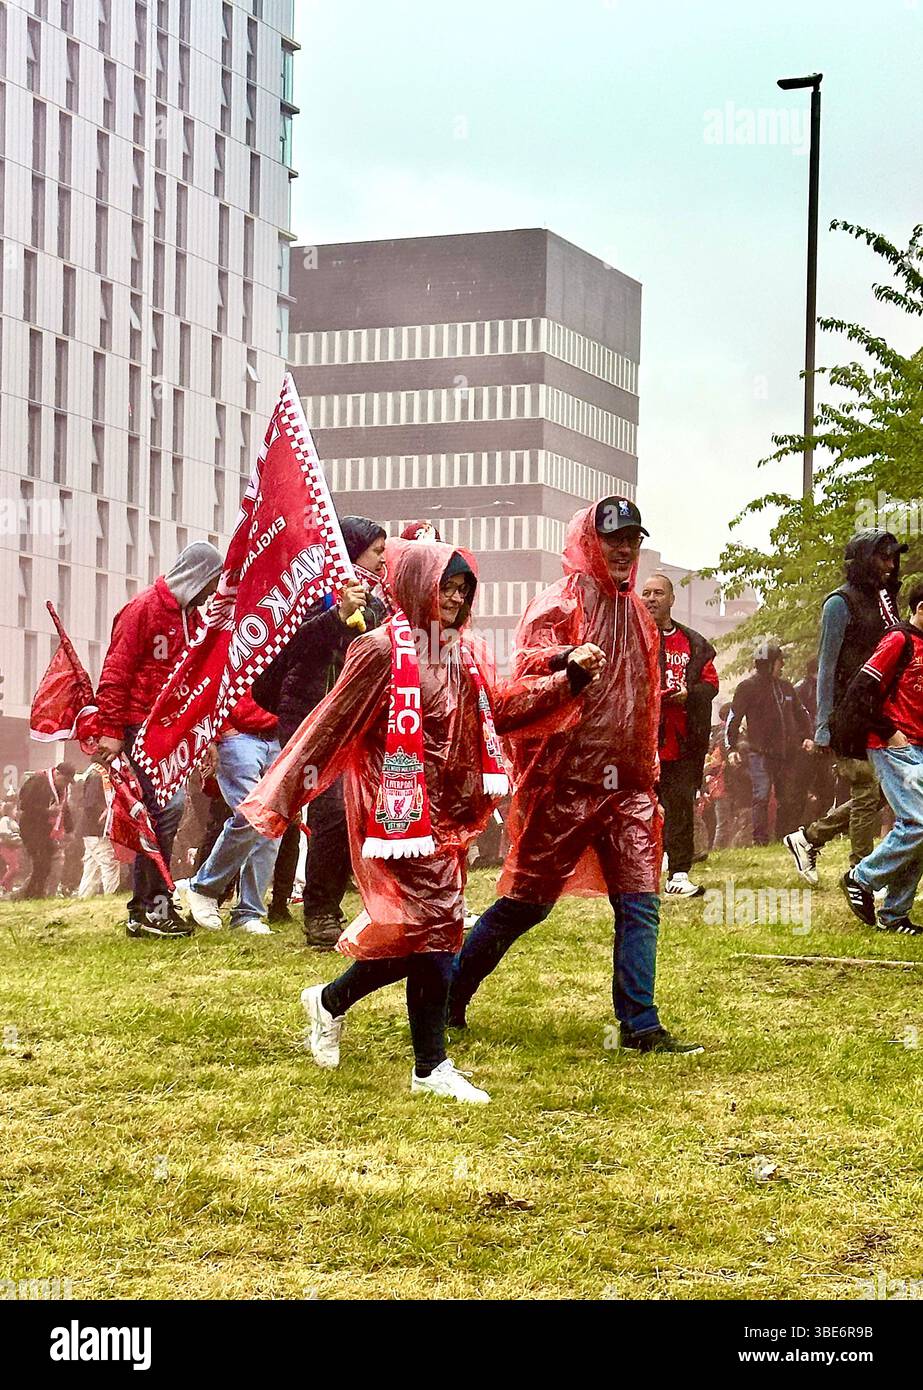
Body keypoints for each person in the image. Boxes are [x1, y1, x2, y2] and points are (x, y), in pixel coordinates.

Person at [240, 539, 594, 1101]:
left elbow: (496, 712)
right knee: (438, 931)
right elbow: (331, 723)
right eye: (444, 586)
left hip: (451, 814)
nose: (453, 598)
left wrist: (566, 680)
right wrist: (282, 795)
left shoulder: (465, 651)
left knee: (423, 935)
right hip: (398, 815)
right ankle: (430, 1065)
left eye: (461, 588)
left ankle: (329, 1002)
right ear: (415, 585)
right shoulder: (379, 650)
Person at [448, 497, 703, 1054]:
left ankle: (640, 1023)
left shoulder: (639, 615)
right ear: (592, 540)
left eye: (634, 540)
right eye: (616, 539)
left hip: (629, 788)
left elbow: (642, 700)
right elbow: (521, 683)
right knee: (525, 904)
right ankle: (449, 992)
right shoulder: (557, 604)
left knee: (640, 901)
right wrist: (569, 662)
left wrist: (650, 767)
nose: (626, 549)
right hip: (566, 785)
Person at [257, 517, 387, 946]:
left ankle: (359, 900)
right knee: (329, 809)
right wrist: (337, 615)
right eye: (376, 551)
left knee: (356, 811)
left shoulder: (381, 600)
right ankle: (320, 913)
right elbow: (294, 645)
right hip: (312, 715)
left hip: (356, 717)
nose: (384, 560)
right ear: (352, 551)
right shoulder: (314, 592)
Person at [94, 541, 223, 937]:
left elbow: (196, 685)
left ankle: (147, 909)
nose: (211, 592)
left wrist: (205, 737)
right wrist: (111, 731)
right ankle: (152, 906)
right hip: (138, 727)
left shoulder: (194, 620)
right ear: (195, 576)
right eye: (211, 582)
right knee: (165, 812)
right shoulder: (142, 609)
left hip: (169, 734)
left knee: (162, 816)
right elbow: (116, 671)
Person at [783, 531, 905, 886]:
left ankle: (808, 838)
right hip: (847, 713)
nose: (890, 565)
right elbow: (826, 665)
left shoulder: (885, 599)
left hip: (880, 712)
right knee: (866, 788)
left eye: (893, 558)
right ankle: (862, 874)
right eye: (884, 557)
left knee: (884, 790)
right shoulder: (839, 603)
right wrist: (824, 724)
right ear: (865, 559)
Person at [840, 579, 923, 935]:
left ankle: (895, 914)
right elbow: (860, 689)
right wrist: (889, 731)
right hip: (892, 744)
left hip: (918, 745)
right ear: (921, 609)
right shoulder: (898, 640)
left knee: (920, 829)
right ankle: (861, 877)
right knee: (919, 821)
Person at [641, 571, 718, 896]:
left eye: (658, 593)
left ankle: (679, 873)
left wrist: (689, 694)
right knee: (638, 809)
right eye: (646, 593)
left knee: (680, 806)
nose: (651, 599)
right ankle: (640, 872)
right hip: (640, 743)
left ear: (671, 599)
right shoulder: (630, 638)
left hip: (683, 743)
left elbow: (711, 684)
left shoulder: (694, 643)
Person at [184, 691, 282, 934]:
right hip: (238, 736)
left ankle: (248, 913)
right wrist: (216, 733)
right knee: (252, 817)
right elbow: (207, 681)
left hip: (277, 737)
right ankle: (203, 887)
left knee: (272, 825)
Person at [725, 644, 813, 846]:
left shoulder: (786, 687)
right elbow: (734, 718)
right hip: (760, 752)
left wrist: (808, 736)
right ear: (770, 663)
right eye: (780, 661)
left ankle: (784, 837)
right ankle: (760, 840)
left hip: (787, 752)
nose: (782, 665)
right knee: (761, 796)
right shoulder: (747, 687)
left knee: (788, 797)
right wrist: (732, 747)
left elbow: (802, 714)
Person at [16, 764, 76, 899]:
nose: (65, 784)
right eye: (64, 780)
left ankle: (33, 893)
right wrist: (46, 811)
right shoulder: (37, 780)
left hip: (45, 828)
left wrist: (70, 828)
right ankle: (31, 894)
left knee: (46, 865)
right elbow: (24, 805)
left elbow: (63, 808)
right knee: (40, 862)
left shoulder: (62, 789)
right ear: (57, 774)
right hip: (30, 827)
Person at [76, 765, 120, 898]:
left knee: (92, 865)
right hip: (97, 829)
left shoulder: (97, 774)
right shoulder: (97, 776)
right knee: (109, 861)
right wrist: (106, 811)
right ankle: (111, 895)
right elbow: (90, 804)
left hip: (92, 829)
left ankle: (84, 896)